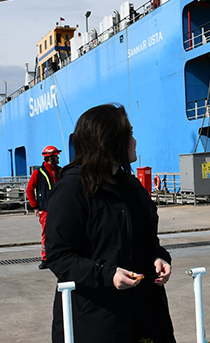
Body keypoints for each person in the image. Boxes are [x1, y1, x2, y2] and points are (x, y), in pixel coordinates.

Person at [45, 103, 175, 343]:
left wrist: (158, 258)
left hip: (146, 314)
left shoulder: (131, 187)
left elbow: (146, 241)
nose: (134, 141)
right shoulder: (72, 190)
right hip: (97, 320)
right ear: (109, 140)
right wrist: (107, 274)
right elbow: (58, 256)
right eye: (129, 134)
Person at [26, 145, 62, 268]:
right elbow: (30, 189)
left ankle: (60, 256)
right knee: (46, 234)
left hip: (59, 208)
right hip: (45, 209)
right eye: (56, 156)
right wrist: (35, 206)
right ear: (50, 158)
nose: (58, 158)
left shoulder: (60, 171)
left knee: (61, 232)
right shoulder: (38, 173)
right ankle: (45, 259)